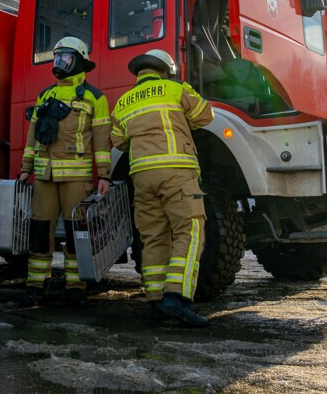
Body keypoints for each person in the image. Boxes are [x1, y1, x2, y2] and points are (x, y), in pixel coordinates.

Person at [110, 49, 215, 328]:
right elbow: (206, 115)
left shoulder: (123, 102)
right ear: (166, 69)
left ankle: (156, 299)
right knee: (190, 229)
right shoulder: (175, 88)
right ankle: (178, 298)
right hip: (176, 171)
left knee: (153, 236)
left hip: (142, 177)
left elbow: (118, 140)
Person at [18, 36, 111, 309]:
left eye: (65, 57)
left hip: (77, 179)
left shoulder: (95, 97)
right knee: (39, 232)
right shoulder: (45, 95)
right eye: (56, 57)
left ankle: (75, 288)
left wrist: (103, 175)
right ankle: (35, 286)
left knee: (75, 235)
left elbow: (102, 140)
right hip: (44, 178)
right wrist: (26, 170)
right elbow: (32, 138)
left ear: (79, 61)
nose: (59, 62)